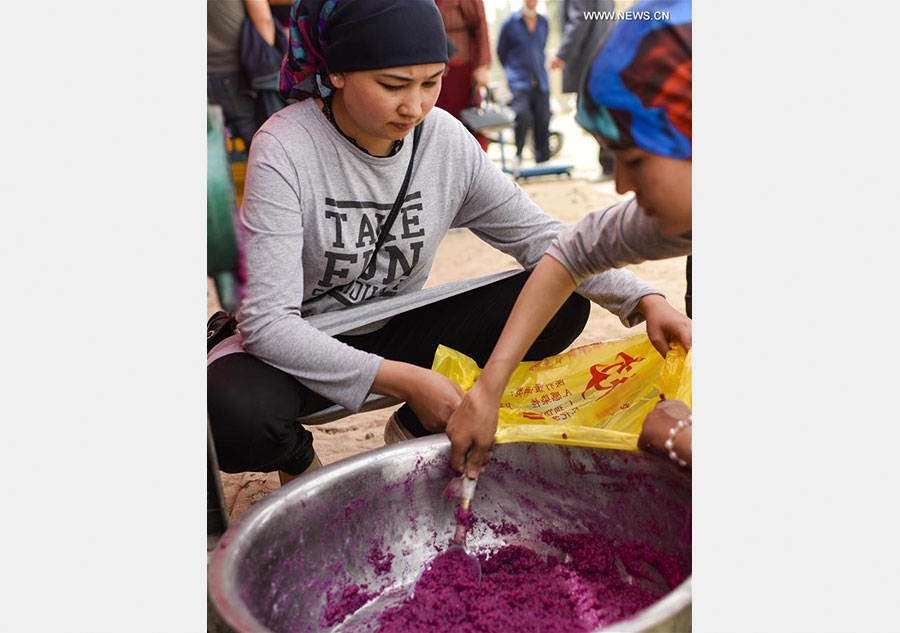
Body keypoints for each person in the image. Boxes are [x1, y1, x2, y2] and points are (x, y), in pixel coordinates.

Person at [206, 0, 691, 486]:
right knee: (227, 409)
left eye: (431, 82)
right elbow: (268, 323)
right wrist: (406, 380)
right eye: (393, 85)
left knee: (562, 303)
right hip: (303, 347)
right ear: (337, 73)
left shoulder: (444, 141)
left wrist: (645, 298)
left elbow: (543, 237)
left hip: (396, 326)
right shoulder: (285, 146)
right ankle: (301, 466)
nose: (414, 106)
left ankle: (413, 431)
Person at [446, 0, 693, 478]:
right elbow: (567, 255)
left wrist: (683, 435)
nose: (620, 185)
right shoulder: (667, 214)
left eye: (636, 161)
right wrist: (488, 390)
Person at [549, 0, 617, 180]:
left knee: (588, 114)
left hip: (588, 60)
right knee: (602, 113)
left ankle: (613, 162)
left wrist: (562, 54)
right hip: (605, 56)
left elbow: (579, 19)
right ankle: (612, 162)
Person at [207, 0, 278, 151]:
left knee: (214, 147)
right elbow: (264, 20)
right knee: (261, 144)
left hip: (211, 72)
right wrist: (265, 62)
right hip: (237, 72)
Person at [497, 0, 552, 166]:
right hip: (518, 80)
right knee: (523, 114)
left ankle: (543, 158)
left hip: (540, 79)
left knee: (543, 117)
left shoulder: (543, 22)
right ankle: (518, 153)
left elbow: (541, 48)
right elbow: (501, 51)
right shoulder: (510, 23)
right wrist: (511, 71)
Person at [435, 0, 493, 150]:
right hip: (432, 71)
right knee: (435, 128)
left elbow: (480, 24)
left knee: (467, 127)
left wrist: (482, 66)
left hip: (460, 72)